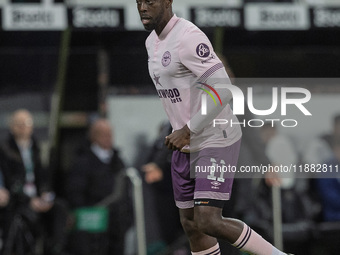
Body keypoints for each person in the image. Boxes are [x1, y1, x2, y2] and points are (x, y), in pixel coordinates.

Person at [137, 1, 292, 255]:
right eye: (138, 2)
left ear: (168, 2)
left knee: (209, 220)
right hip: (185, 146)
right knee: (191, 225)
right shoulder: (150, 43)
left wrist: (188, 128)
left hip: (215, 139)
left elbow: (223, 88)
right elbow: (180, 104)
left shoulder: (188, 37)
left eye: (150, 1)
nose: (143, 7)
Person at [0, 109, 68, 255]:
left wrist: (44, 193)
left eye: (27, 123)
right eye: (19, 123)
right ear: (12, 127)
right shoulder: (5, 150)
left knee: (59, 208)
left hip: (36, 197)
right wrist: (29, 200)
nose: (23, 127)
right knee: (20, 217)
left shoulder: (35, 148)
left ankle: (55, 249)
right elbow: (11, 183)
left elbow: (41, 177)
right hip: (18, 199)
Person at [65, 118, 132, 255]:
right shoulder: (82, 161)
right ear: (93, 137)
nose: (108, 138)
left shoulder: (118, 160)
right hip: (94, 224)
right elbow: (75, 192)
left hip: (118, 223)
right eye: (103, 134)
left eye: (110, 134)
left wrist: (129, 216)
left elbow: (126, 190)